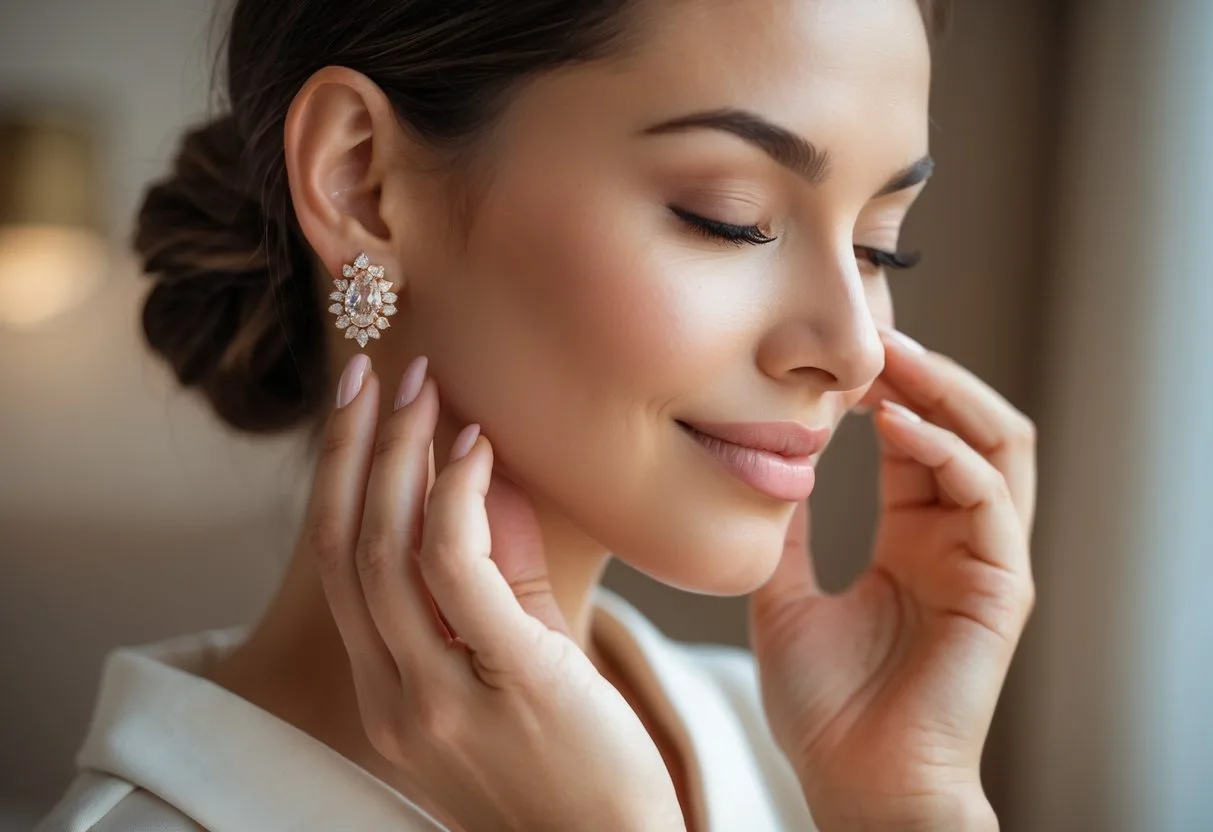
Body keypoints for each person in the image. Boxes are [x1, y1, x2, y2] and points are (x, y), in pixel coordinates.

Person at [36, 0, 1038, 829]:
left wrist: (911, 803)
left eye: (879, 244)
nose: (856, 347)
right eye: (728, 216)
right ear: (363, 182)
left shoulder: (794, 750)